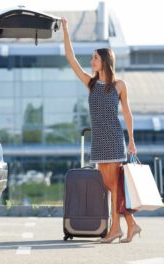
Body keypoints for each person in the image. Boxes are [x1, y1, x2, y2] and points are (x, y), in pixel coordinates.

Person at [62, 17, 142, 243]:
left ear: (105, 61)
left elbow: (127, 113)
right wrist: (66, 30)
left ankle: (115, 229)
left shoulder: (119, 86)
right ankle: (131, 225)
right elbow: (71, 59)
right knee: (108, 185)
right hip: (98, 141)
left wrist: (132, 140)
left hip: (114, 139)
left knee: (115, 185)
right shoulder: (90, 83)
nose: (92, 61)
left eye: (95, 58)